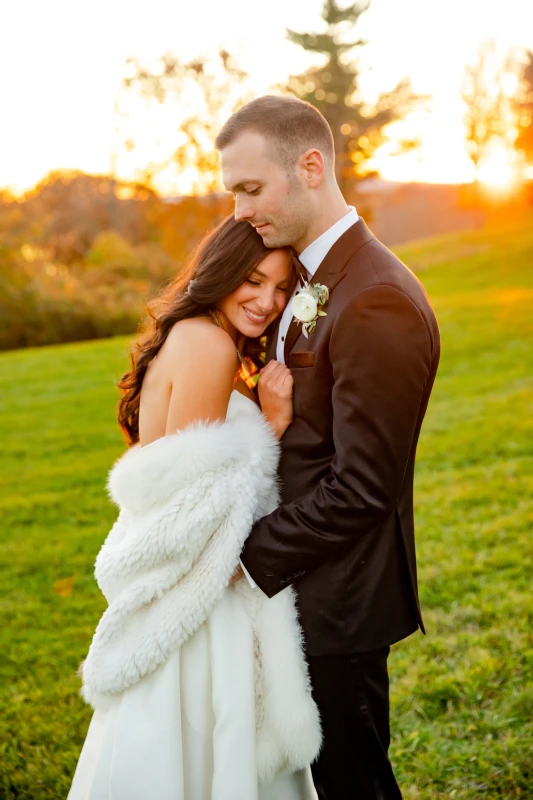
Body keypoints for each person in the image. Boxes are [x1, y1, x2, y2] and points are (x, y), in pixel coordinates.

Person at [216, 95, 441, 799]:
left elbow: (363, 486)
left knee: (352, 784)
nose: (238, 211)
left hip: (337, 603)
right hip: (302, 588)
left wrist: (241, 558)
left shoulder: (375, 298)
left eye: (250, 189)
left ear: (310, 166)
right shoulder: (312, 279)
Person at [67, 216, 321, 800]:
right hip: (207, 601)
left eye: (282, 288)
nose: (267, 301)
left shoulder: (192, 334)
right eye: (252, 281)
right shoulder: (208, 344)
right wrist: (273, 427)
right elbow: (203, 505)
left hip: (192, 586)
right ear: (221, 273)